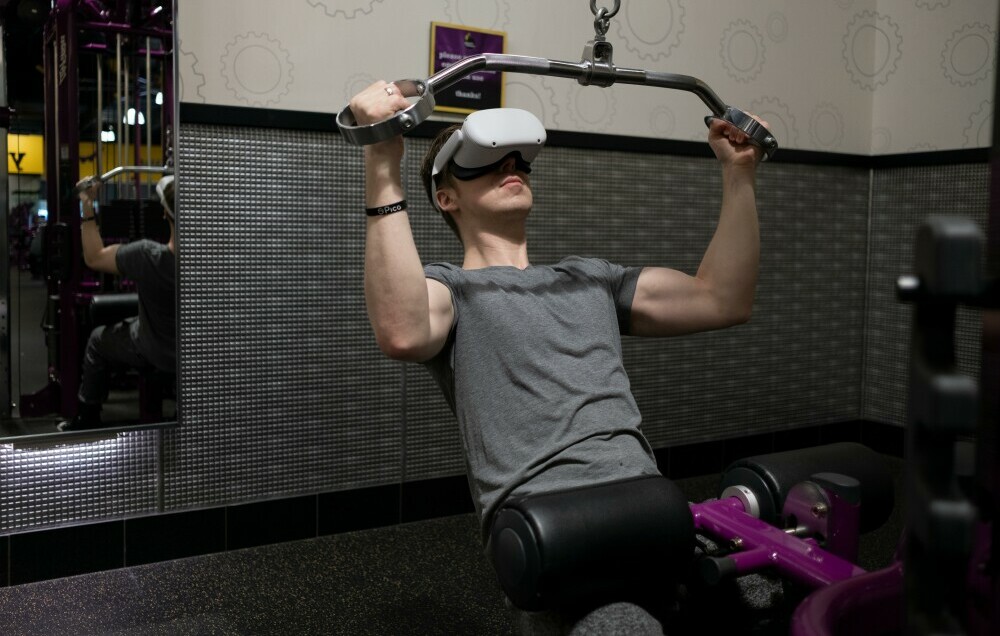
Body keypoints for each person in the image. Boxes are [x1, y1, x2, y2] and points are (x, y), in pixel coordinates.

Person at [349, 81, 764, 634]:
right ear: (446, 196)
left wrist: (739, 176)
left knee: (772, 597)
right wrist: (382, 155)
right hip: (558, 528)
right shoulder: (451, 292)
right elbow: (401, 331)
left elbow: (722, 299)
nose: (511, 166)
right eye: (486, 162)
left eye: (519, 159)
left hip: (649, 510)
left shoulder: (590, 278)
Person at [57, 175, 177, 431]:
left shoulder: (147, 256)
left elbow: (94, 257)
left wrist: (87, 204)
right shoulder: (215, 261)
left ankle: (87, 417)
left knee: (98, 340)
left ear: (165, 215)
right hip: (197, 354)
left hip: (152, 349)